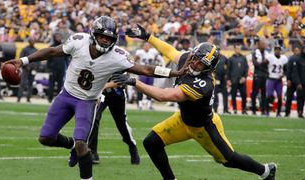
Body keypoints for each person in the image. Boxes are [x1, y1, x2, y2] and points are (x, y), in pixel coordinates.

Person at [3, 16, 187, 180]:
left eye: (109, 38)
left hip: (88, 101)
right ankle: (71, 145)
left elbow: (146, 69)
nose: (106, 41)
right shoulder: (78, 41)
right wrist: (23, 61)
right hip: (66, 95)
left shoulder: (117, 57)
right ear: (94, 35)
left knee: (84, 144)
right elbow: (52, 51)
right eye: (102, 36)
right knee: (45, 138)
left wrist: (174, 72)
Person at [115, 24, 277, 180]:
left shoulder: (204, 83)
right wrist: (148, 37)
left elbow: (163, 96)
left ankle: (265, 170)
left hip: (204, 127)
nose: (196, 64)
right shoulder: (188, 58)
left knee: (229, 160)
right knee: (151, 142)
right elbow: (170, 51)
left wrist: (134, 82)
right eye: (196, 59)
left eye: (201, 64)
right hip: (183, 119)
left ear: (208, 69)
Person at [87, 74, 140, 165]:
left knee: (122, 124)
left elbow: (121, 81)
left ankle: (132, 145)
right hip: (101, 94)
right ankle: (92, 152)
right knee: (94, 117)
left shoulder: (118, 61)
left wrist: (104, 85)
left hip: (116, 94)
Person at [134, 42, 164, 110]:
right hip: (142, 72)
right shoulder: (140, 52)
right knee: (140, 88)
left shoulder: (153, 52)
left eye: (148, 45)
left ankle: (149, 104)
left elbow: (159, 58)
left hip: (150, 73)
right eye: (145, 45)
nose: (146, 47)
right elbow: (134, 60)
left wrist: (162, 65)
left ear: (150, 46)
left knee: (150, 88)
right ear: (143, 46)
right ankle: (140, 104)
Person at [265, 46, 288, 117]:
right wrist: (267, 73)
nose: (278, 51)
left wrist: (283, 75)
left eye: (279, 50)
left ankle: (278, 113)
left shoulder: (283, 58)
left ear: (281, 51)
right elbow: (263, 66)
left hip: (278, 80)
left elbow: (286, 69)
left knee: (280, 96)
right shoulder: (270, 57)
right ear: (274, 50)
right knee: (269, 95)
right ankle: (267, 111)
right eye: (276, 50)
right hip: (271, 78)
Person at [227, 44, 249, 115]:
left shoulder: (243, 58)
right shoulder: (231, 58)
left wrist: (244, 77)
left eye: (239, 48)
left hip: (242, 79)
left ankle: (244, 109)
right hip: (234, 79)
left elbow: (246, 68)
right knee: (233, 95)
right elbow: (228, 70)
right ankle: (234, 109)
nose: (238, 50)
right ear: (234, 49)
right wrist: (228, 79)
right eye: (237, 48)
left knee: (244, 95)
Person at [47, 33, 68, 103]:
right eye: (57, 36)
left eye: (60, 36)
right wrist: (49, 69)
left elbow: (66, 58)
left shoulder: (63, 47)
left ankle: (59, 99)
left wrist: (67, 67)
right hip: (53, 69)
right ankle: (49, 98)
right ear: (54, 37)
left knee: (60, 85)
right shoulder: (51, 47)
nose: (59, 38)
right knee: (51, 84)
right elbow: (48, 59)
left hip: (61, 69)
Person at [17, 38, 38, 103]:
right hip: (26, 69)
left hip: (33, 70)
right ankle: (19, 98)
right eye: (32, 40)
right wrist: (26, 66)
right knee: (23, 83)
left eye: (34, 40)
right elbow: (21, 58)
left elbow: (38, 60)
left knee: (31, 84)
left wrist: (36, 67)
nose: (33, 42)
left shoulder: (36, 50)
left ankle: (28, 98)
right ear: (29, 42)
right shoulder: (25, 49)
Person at [251, 39, 269, 115]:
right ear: (258, 45)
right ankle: (254, 109)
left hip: (265, 76)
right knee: (255, 93)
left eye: (264, 44)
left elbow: (267, 64)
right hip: (257, 76)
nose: (264, 45)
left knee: (264, 93)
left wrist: (261, 64)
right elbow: (256, 64)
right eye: (262, 44)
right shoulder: (255, 53)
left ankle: (263, 109)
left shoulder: (267, 53)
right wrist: (264, 63)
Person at [285, 46, 302, 117]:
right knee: (289, 97)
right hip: (291, 81)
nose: (297, 52)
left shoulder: (302, 59)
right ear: (294, 51)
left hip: (299, 82)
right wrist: (288, 79)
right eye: (296, 50)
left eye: (298, 50)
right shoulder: (291, 59)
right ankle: (287, 112)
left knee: (300, 97)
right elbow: (288, 70)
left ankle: (299, 112)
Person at [293, 46, 305, 118]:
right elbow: (296, 72)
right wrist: (298, 82)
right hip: (301, 83)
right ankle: (300, 111)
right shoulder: (298, 59)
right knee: (300, 98)